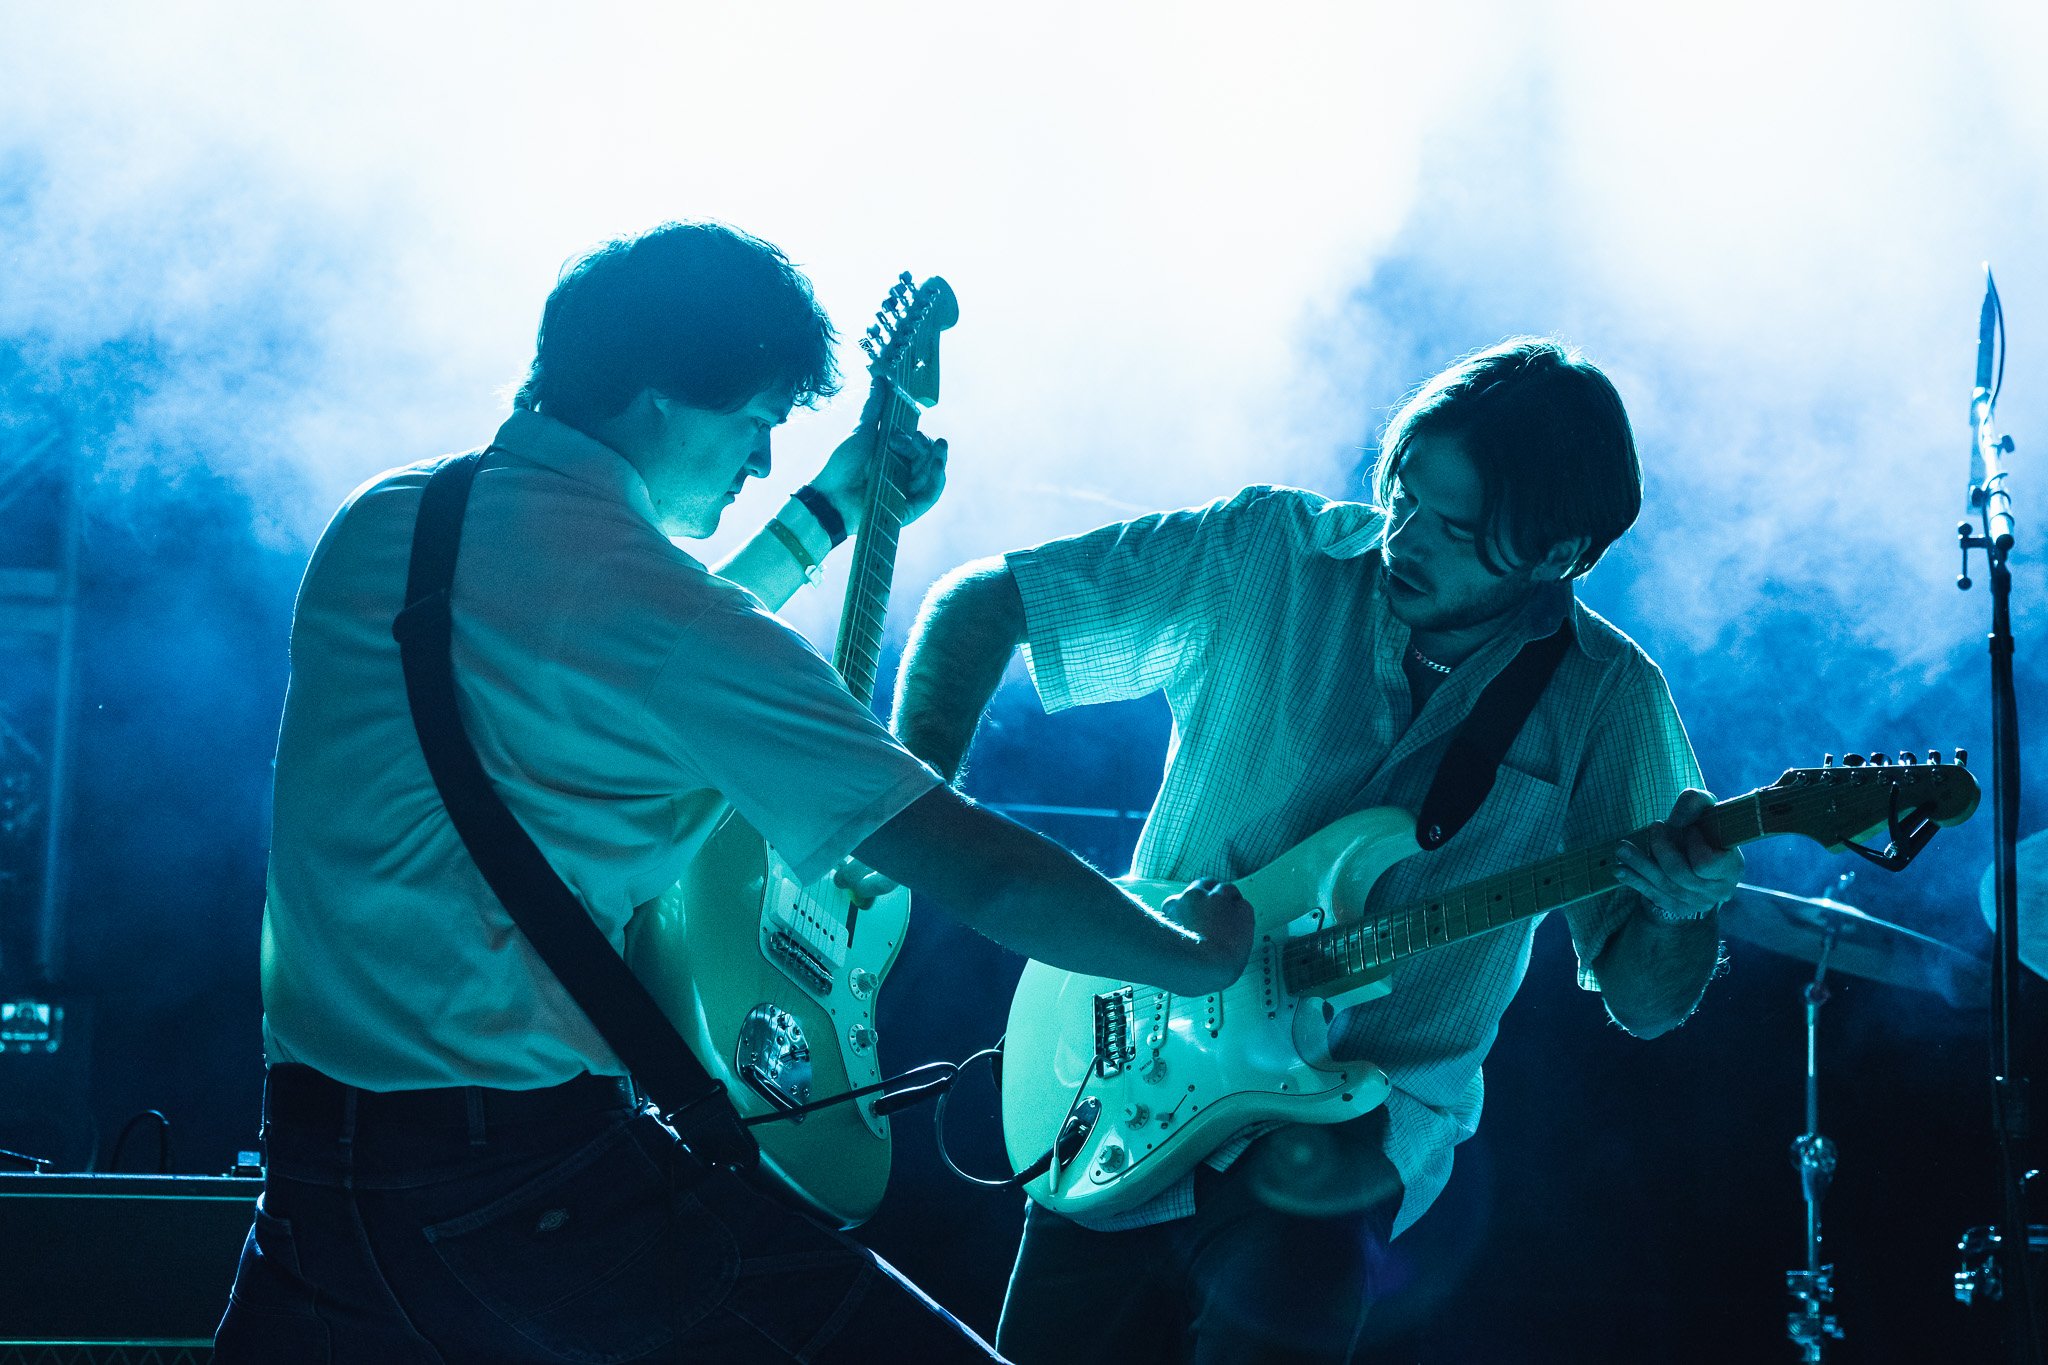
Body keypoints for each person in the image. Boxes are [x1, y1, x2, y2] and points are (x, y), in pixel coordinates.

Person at [215, 220, 1252, 1364]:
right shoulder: (660, 621)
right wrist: (1185, 952)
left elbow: (606, 653)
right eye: (755, 421)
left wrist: (827, 514)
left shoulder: (384, 523)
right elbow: (978, 868)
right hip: (526, 1191)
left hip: (314, 1181)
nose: (760, 460)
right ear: (661, 399)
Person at [890, 337, 1745, 1363]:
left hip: (1346, 1129)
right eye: (1404, 495)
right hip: (1120, 1060)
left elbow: (1646, 1000)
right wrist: (909, 812)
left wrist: (1680, 908)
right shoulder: (1267, 553)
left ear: (1557, 554)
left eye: (1456, 528)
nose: (1407, 537)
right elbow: (983, 603)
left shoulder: (1607, 699)